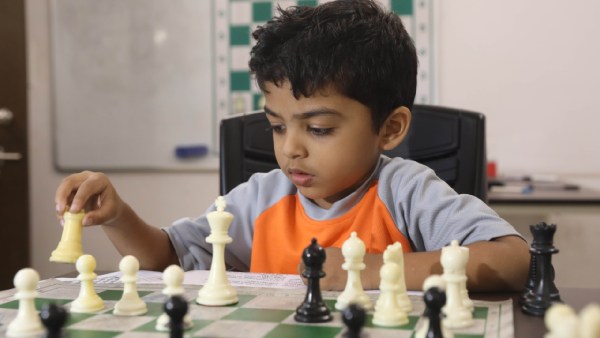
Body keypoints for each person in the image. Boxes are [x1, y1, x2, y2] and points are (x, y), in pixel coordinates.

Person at [54, 0, 529, 292]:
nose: (291, 150)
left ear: (390, 129)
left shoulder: (405, 192)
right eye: (277, 127)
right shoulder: (261, 199)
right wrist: (118, 216)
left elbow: (512, 260)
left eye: (318, 129)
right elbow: (170, 260)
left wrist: (371, 270)